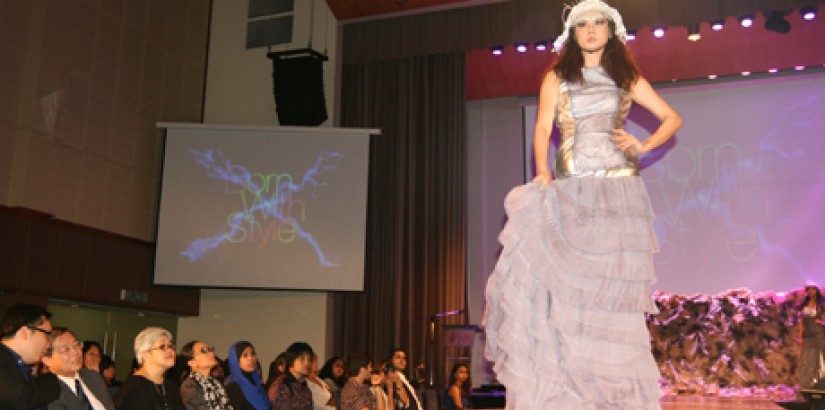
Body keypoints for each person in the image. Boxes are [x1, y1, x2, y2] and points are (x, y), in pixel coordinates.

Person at [482, 0, 682, 408]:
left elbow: (671, 118)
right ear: (572, 34)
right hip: (573, 191)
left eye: (598, 23)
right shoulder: (557, 76)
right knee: (567, 293)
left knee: (610, 296)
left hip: (618, 194)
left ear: (611, 31)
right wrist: (542, 170)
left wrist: (643, 145)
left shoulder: (626, 77)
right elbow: (542, 127)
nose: (591, 30)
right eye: (582, 24)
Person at [0, 303, 61, 409]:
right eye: (47, 334)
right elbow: (22, 399)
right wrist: (54, 375)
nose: (49, 344)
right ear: (24, 332)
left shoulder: (21, 365)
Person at [40, 327, 117, 410]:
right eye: (66, 349)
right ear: (47, 360)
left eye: (76, 345)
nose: (76, 352)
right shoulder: (48, 391)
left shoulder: (93, 377)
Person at [113, 327, 183, 410]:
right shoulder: (135, 388)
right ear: (145, 354)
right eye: (162, 347)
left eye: (170, 346)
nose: (170, 351)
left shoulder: (171, 387)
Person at [178, 340, 232, 410]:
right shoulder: (189, 387)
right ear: (192, 362)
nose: (211, 353)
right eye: (203, 351)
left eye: (210, 350)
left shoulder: (215, 383)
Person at [224, 341, 270, 410]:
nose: (251, 358)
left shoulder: (259, 385)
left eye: (253, 354)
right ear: (236, 361)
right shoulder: (233, 387)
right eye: (245, 355)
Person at [268, 342, 312, 410]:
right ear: (291, 360)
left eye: (309, 359)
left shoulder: (304, 384)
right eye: (302, 359)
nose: (307, 363)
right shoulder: (281, 385)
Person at [798, 281, 825, 389]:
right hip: (807, 334)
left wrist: (821, 322)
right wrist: (800, 337)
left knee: (817, 360)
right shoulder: (805, 303)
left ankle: (817, 385)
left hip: (818, 334)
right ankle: (805, 386)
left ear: (817, 290)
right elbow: (801, 321)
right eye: (808, 289)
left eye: (813, 289)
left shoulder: (822, 304)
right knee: (805, 360)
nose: (810, 292)